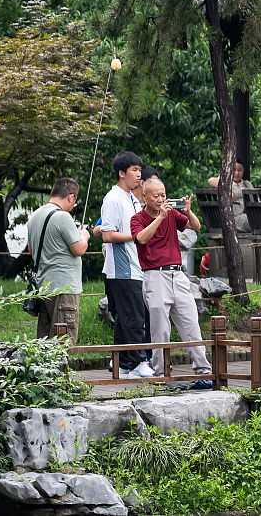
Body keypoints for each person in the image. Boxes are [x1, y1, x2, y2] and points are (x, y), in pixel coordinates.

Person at [131, 178, 212, 386]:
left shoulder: (172, 213)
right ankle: (160, 375)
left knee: (191, 322)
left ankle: (203, 371)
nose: (161, 199)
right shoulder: (137, 218)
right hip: (154, 275)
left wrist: (188, 211)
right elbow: (141, 238)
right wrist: (160, 217)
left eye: (163, 195)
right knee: (160, 328)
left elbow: (196, 226)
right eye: (156, 196)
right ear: (144, 197)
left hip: (178, 274)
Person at [100, 151, 153, 378]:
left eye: (140, 170)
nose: (139, 175)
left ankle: (122, 365)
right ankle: (139, 363)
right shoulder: (112, 199)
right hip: (122, 269)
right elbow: (107, 235)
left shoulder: (131, 198)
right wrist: (136, 235)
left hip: (135, 266)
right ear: (121, 173)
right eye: (134, 170)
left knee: (123, 319)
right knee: (134, 317)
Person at [26, 177, 91, 345]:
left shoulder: (35, 215)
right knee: (63, 342)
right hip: (64, 288)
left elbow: (31, 250)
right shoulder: (63, 217)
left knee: (45, 341)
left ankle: (46, 372)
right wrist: (84, 236)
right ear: (71, 197)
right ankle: (62, 372)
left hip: (43, 288)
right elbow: (79, 249)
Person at [207, 161, 254, 233]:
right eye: (234, 170)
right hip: (233, 218)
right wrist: (228, 190)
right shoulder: (226, 181)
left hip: (248, 214)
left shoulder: (246, 184)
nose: (237, 173)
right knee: (254, 220)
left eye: (240, 170)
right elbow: (210, 180)